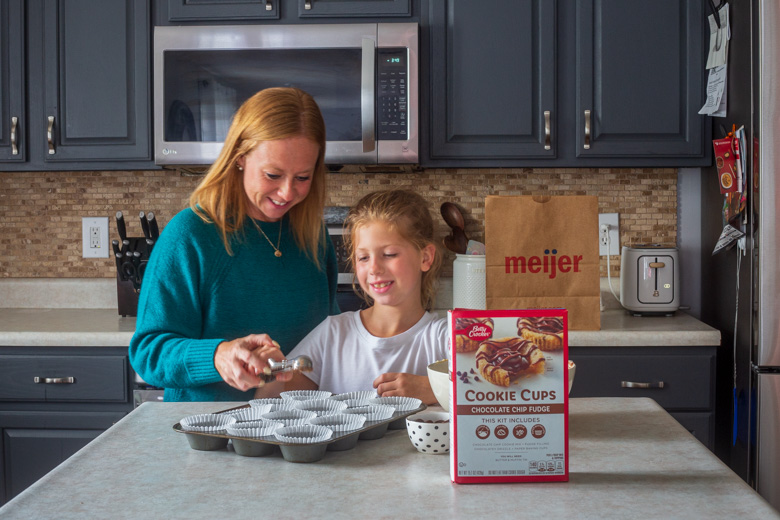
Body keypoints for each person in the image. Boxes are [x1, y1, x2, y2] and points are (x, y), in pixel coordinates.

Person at [129, 87, 339, 402]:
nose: (286, 193)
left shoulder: (312, 236)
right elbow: (148, 352)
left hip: (301, 433)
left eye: (302, 178)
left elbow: (329, 338)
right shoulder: (191, 235)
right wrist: (218, 355)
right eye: (272, 174)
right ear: (239, 156)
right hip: (209, 437)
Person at [258, 189, 448, 404]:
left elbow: (489, 395)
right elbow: (271, 402)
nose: (374, 268)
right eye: (364, 257)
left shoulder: (444, 339)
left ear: (425, 257)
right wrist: (269, 369)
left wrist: (435, 389)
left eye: (389, 254)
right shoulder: (333, 335)